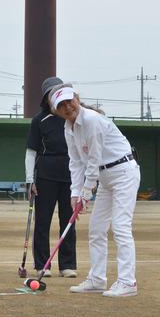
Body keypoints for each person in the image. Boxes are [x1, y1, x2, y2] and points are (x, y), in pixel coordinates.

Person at [49, 83, 140, 297]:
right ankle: (97, 279)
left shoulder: (91, 120)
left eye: (69, 101)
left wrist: (86, 193)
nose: (67, 107)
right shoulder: (68, 128)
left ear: (77, 99)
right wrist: (75, 193)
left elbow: (94, 159)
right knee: (96, 229)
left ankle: (128, 282)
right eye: (61, 105)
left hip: (123, 172)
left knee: (120, 226)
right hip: (105, 177)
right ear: (57, 111)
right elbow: (76, 162)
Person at [25, 76, 77, 278]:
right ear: (47, 98)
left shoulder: (73, 117)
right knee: (43, 221)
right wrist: (30, 180)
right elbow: (31, 151)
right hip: (45, 174)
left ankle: (67, 264)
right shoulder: (39, 120)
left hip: (71, 174)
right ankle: (42, 264)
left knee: (68, 221)